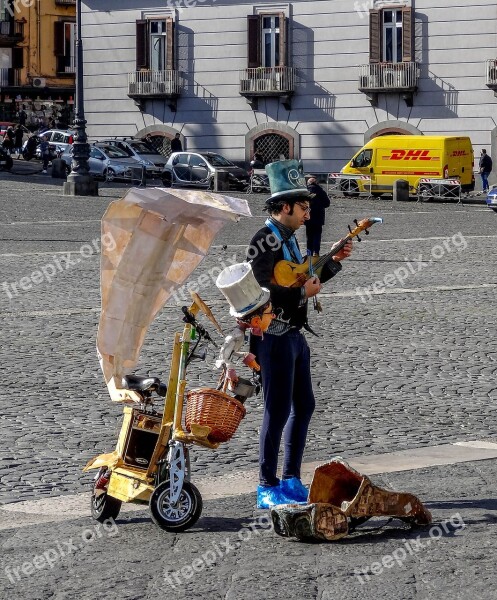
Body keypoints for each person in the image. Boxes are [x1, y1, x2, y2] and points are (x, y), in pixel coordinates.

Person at [246, 159, 353, 509]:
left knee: (304, 405)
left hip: (294, 335)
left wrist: (334, 261)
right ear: (285, 206)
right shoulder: (263, 240)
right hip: (272, 337)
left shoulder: (289, 238)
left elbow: (306, 280)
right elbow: (258, 291)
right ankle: (266, 485)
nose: (308, 215)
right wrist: (299, 295)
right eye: (304, 208)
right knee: (276, 411)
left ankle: (291, 478)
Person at [305, 177, 331, 256]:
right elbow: (327, 203)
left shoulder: (305, 191)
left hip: (308, 216)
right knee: (317, 235)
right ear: (316, 183)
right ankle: (316, 252)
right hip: (319, 217)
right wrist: (320, 205)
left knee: (309, 236)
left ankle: (309, 253)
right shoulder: (321, 191)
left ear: (308, 183)